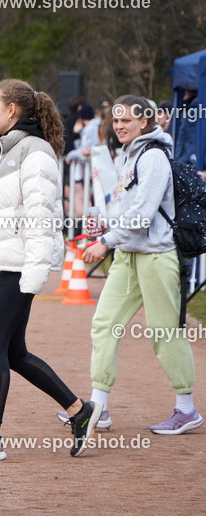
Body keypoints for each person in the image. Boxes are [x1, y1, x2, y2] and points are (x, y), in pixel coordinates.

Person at [0, 78, 101, 461]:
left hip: (20, 266)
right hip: (11, 261)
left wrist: (33, 276)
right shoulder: (10, 149)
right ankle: (80, 410)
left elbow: (40, 218)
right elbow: (7, 209)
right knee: (13, 352)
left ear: (11, 110)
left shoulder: (34, 152)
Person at [79, 95, 200, 435]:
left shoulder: (153, 157)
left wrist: (105, 242)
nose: (119, 126)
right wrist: (104, 227)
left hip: (157, 256)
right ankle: (97, 408)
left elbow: (143, 214)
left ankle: (186, 409)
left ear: (144, 122)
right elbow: (124, 207)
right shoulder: (129, 154)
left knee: (163, 332)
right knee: (105, 324)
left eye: (126, 120)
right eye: (116, 120)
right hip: (128, 254)